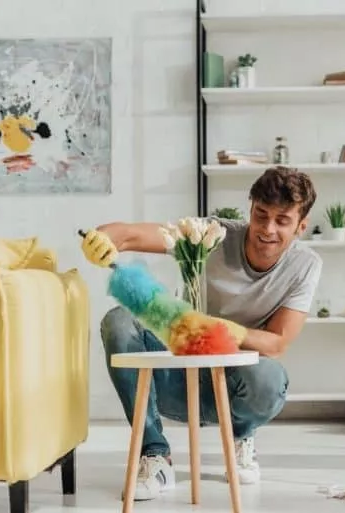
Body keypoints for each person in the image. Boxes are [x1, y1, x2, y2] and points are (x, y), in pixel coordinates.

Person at [80, 166, 322, 500]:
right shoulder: (212, 234)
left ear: (300, 226)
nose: (267, 229)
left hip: (233, 384)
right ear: (250, 208)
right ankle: (154, 454)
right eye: (261, 215)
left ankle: (241, 435)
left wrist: (222, 330)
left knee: (269, 379)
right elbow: (130, 234)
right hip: (176, 376)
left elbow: (277, 342)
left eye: (282, 220)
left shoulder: (305, 265)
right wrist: (103, 239)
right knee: (119, 320)